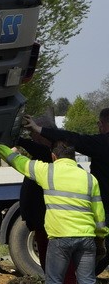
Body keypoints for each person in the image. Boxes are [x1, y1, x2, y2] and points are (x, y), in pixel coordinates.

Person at [0, 139, 106, 284]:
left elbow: (17, 161)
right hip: (86, 240)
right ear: (74, 158)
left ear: (53, 156)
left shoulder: (47, 172)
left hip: (60, 239)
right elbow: (99, 215)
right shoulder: (89, 179)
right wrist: (100, 240)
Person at [25, 109, 109, 274]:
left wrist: (38, 129)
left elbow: (74, 138)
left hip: (105, 208)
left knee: (89, 267)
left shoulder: (103, 143)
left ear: (101, 124)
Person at [17, 116, 77, 284]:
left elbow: (39, 149)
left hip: (51, 225)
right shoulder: (45, 155)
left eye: (34, 133)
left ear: (44, 134)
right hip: (43, 224)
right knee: (52, 269)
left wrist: (18, 140)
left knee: (60, 270)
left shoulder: (50, 155)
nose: (32, 137)